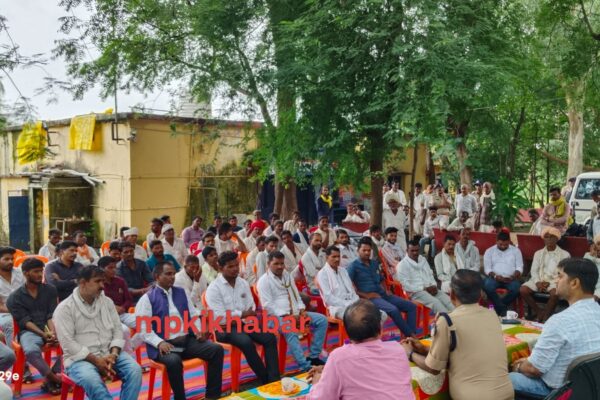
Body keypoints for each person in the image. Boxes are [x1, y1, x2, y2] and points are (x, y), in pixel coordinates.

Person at [403, 270, 513, 400]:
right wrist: (423, 349)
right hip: (506, 394)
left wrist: (410, 353)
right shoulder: (492, 315)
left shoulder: (448, 321)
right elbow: (464, 352)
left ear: (451, 294)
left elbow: (433, 368)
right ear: (480, 295)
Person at [510, 258, 600, 397]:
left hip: (560, 392)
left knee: (504, 378)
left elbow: (534, 370)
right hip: (591, 387)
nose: (556, 281)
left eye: (560, 276)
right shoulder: (597, 311)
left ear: (574, 283)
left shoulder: (560, 321)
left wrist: (518, 366)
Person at [135, 261, 224, 400]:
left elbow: (193, 314)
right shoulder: (147, 299)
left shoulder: (181, 292)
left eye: (173, 274)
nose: (172, 277)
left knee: (216, 350)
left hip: (186, 341)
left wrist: (198, 331)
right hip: (164, 346)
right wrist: (159, 343)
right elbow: (143, 329)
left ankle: (212, 396)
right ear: (157, 276)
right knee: (173, 361)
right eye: (168, 274)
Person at [54, 265, 142, 400]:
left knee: (135, 370)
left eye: (103, 281)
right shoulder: (64, 309)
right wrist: (96, 360)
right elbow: (68, 343)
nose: (102, 286)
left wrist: (113, 354)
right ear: (83, 283)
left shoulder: (107, 302)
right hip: (79, 360)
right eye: (97, 281)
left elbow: (117, 329)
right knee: (92, 380)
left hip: (109, 353)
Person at [307, 300, 415, 400]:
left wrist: (317, 382)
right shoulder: (398, 349)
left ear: (347, 332)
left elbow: (321, 397)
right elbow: (373, 370)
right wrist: (327, 370)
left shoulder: (338, 357)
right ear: (380, 328)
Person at [206, 251, 280, 384]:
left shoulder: (243, 283)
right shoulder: (214, 288)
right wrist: (242, 314)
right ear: (221, 268)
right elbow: (220, 318)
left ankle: (274, 379)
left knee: (269, 338)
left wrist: (241, 316)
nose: (235, 269)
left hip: (244, 323)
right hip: (223, 328)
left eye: (236, 265)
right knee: (246, 342)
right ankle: (265, 379)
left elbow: (251, 307)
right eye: (230, 266)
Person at [257, 251, 327, 370]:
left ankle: (313, 356)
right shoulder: (264, 281)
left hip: (294, 313)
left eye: (282, 263)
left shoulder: (287, 275)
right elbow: (268, 306)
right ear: (268, 264)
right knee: (290, 328)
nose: (280, 266)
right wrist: (288, 316)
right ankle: (304, 365)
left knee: (322, 320)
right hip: (274, 317)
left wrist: (301, 310)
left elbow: (296, 295)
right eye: (276, 264)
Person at [7, 258, 60, 394]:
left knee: (74, 343)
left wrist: (52, 333)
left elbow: (51, 315)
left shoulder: (50, 290)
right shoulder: (14, 297)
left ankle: (50, 378)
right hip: (28, 332)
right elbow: (25, 321)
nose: (40, 274)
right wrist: (43, 334)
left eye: (41, 271)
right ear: (26, 273)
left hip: (50, 328)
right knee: (30, 351)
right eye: (36, 271)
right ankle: (55, 379)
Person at [348, 238, 417, 337]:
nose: (367, 253)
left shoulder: (374, 263)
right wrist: (366, 295)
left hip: (383, 294)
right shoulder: (353, 266)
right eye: (364, 250)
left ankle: (410, 336)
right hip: (370, 298)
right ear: (358, 250)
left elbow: (381, 278)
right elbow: (348, 286)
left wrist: (386, 289)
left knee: (411, 306)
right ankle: (412, 336)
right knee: (393, 310)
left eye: (369, 250)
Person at [520, 227, 570, 322]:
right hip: (539, 279)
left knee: (555, 294)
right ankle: (539, 312)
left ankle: (545, 317)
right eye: (546, 237)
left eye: (552, 237)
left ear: (557, 239)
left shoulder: (565, 254)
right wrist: (538, 282)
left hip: (555, 281)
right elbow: (534, 271)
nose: (549, 239)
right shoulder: (538, 253)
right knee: (523, 290)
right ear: (543, 239)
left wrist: (551, 282)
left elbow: (564, 274)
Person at [97, 256, 142, 355]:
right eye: (110, 268)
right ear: (101, 269)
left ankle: (130, 347)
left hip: (122, 314)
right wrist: (113, 308)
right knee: (124, 330)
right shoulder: (98, 284)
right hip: (107, 317)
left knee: (148, 323)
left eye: (115, 267)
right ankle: (128, 355)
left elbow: (129, 300)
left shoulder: (120, 281)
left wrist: (123, 307)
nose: (114, 270)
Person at [397, 240, 454, 313]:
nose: (415, 253)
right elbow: (405, 285)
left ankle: (458, 317)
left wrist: (433, 285)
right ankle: (447, 319)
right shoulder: (402, 265)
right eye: (412, 251)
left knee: (448, 300)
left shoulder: (422, 259)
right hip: (416, 292)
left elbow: (430, 274)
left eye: (417, 250)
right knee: (436, 303)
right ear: (407, 251)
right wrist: (423, 289)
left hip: (430, 288)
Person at [483, 231, 523, 316]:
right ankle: (503, 309)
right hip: (494, 278)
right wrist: (495, 276)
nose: (503, 246)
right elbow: (487, 269)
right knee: (487, 286)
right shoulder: (489, 251)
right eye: (500, 244)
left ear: (509, 241)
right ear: (496, 241)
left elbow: (519, 267)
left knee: (516, 288)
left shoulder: (516, 251)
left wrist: (513, 276)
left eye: (506, 244)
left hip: (510, 279)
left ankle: (497, 308)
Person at [316, 246, 360, 319]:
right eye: (334, 257)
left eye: (338, 256)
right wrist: (347, 303)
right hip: (337, 307)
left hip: (352, 302)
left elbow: (352, 290)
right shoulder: (322, 274)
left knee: (372, 312)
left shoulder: (343, 270)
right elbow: (328, 298)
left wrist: (355, 300)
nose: (337, 259)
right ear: (327, 258)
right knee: (357, 317)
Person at [0, 246, 24, 351]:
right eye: (6, 259)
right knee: (11, 325)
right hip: (4, 313)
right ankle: (14, 356)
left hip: (24, 310)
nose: (10, 261)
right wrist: (15, 311)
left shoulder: (20, 273)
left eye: (12, 259)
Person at [583, 234, 600, 299]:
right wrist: (591, 256)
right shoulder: (588, 256)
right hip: (587, 287)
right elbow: (582, 271)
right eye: (598, 244)